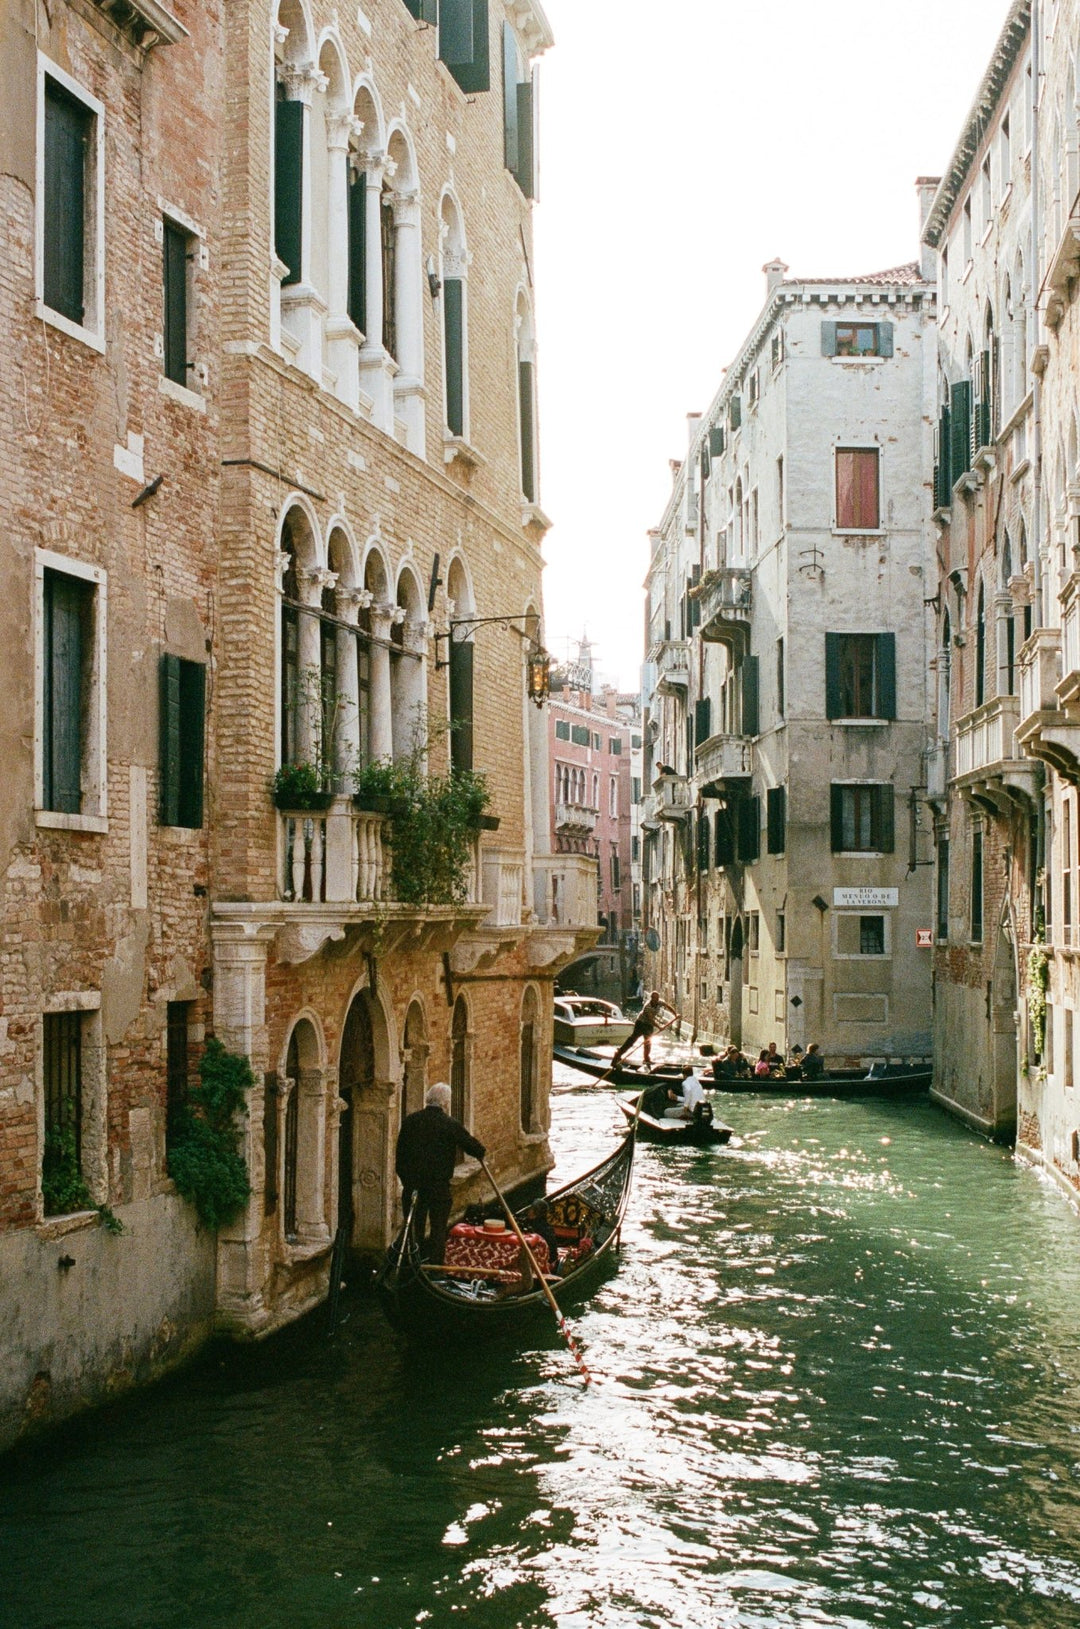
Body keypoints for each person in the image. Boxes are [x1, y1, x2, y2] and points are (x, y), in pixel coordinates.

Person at [395, 1083, 485, 1263]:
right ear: (445, 1103)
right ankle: (436, 1267)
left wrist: (407, 1182)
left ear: (428, 1100)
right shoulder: (449, 1124)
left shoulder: (410, 1121)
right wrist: (481, 1152)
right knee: (438, 1229)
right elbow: (474, 1148)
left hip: (413, 1187)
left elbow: (400, 1157)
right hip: (438, 1187)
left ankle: (412, 1264)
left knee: (414, 1228)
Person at [611, 989, 676, 1068]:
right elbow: (650, 1019)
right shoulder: (647, 1006)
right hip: (641, 1023)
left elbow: (668, 1006)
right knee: (632, 1040)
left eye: (657, 998)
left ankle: (646, 1059)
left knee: (648, 1042)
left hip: (648, 1025)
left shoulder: (659, 1002)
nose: (656, 1000)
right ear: (651, 998)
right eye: (655, 999)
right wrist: (659, 1027)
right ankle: (617, 1055)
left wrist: (675, 1014)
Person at [521, 1199, 562, 1277]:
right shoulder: (546, 1226)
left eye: (531, 1209)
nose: (528, 1211)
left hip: (545, 1262)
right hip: (550, 1257)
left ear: (535, 1212)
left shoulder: (535, 1228)